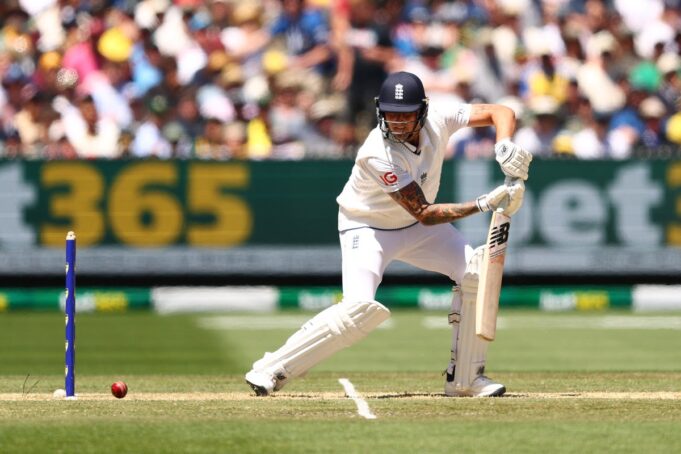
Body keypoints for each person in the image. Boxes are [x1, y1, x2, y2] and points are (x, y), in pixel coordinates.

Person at [245, 71, 530, 397]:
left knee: (475, 273)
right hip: (368, 228)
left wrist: (504, 145)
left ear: (422, 110)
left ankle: (465, 380)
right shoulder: (376, 153)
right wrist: (484, 203)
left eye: (405, 115)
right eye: (391, 114)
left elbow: (500, 112)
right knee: (358, 310)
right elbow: (424, 212)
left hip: (416, 230)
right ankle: (270, 368)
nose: (397, 122)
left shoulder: (440, 117)